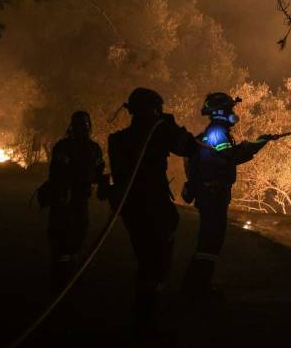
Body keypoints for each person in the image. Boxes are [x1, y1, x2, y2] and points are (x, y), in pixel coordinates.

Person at [107, 87, 199, 331]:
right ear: (153, 109)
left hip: (129, 207)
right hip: (152, 204)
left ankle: (145, 312)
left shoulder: (118, 140)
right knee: (156, 261)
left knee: (147, 259)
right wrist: (172, 125)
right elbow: (190, 147)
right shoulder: (157, 132)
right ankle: (147, 319)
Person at [180, 92, 279, 297]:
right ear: (222, 111)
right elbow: (229, 157)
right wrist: (258, 144)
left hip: (211, 194)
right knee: (210, 242)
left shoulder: (215, 132)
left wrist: (258, 142)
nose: (233, 113)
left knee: (209, 242)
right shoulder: (217, 132)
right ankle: (197, 288)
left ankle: (196, 286)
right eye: (230, 109)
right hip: (212, 195)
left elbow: (226, 155)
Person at [45, 111, 105, 292]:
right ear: (73, 127)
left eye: (86, 125)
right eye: (80, 125)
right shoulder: (63, 147)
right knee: (61, 240)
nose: (83, 128)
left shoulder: (93, 148)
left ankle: (71, 278)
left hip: (80, 201)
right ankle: (60, 280)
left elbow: (97, 172)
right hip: (64, 201)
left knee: (77, 238)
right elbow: (57, 173)